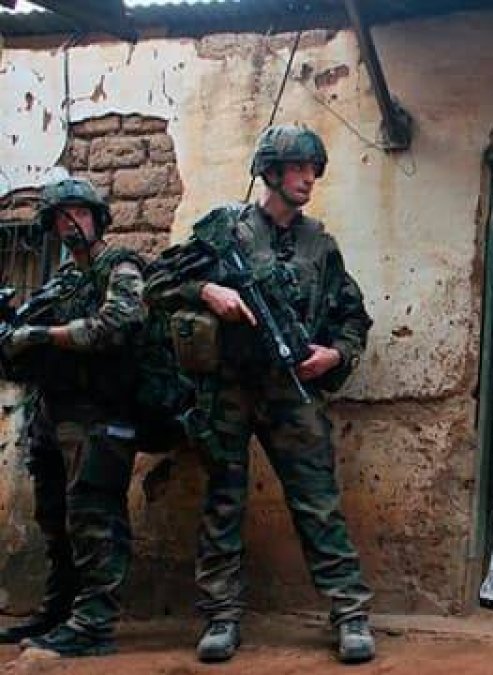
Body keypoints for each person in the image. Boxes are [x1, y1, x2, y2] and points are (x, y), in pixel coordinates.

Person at [144, 124, 375, 664]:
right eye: (297, 167)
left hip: (291, 390)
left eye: (313, 168)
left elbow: (353, 318)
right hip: (227, 388)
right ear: (269, 172)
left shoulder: (321, 245)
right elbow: (156, 283)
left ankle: (350, 613)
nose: (308, 178)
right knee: (223, 501)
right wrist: (206, 289)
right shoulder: (227, 231)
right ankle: (221, 616)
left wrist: (335, 356)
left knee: (318, 504)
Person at [0, 176, 147, 656]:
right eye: (60, 218)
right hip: (54, 414)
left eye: (78, 214)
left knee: (94, 516)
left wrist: (44, 336)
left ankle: (95, 623)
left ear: (97, 217)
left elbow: (116, 325)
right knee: (54, 516)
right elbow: (20, 339)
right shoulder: (62, 281)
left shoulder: (119, 266)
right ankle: (60, 608)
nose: (70, 224)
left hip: (101, 415)